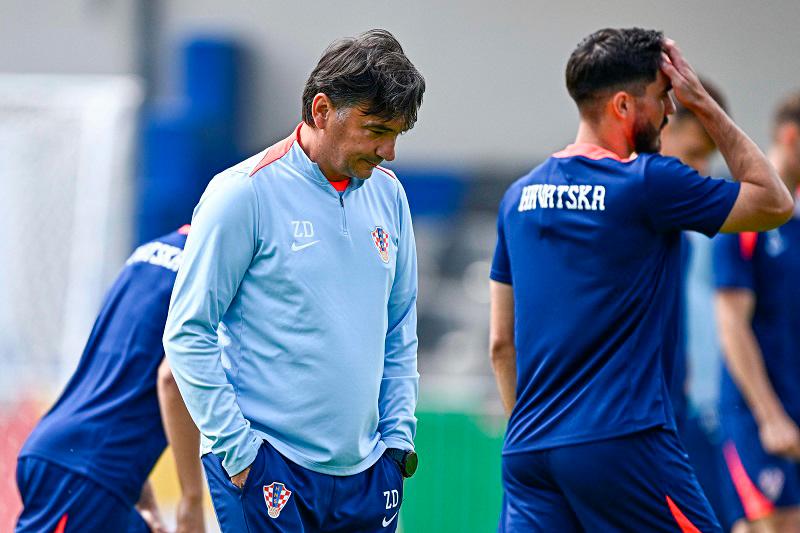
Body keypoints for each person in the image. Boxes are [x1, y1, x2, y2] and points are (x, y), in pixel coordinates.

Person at [489, 27, 793, 532]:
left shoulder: (516, 197)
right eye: (663, 98)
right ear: (625, 106)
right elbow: (774, 202)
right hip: (622, 442)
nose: (671, 111)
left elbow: (501, 344)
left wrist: (534, 433)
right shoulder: (648, 182)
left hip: (528, 453)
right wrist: (706, 104)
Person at [163, 29, 424, 533]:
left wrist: (397, 445)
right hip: (267, 468)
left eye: (397, 133)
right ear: (322, 110)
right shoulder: (243, 194)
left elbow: (399, 326)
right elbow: (187, 332)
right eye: (376, 129)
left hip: (368, 475)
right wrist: (239, 453)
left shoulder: (390, 197)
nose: (389, 150)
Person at [15, 226, 206, 533]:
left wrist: (144, 502)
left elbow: (117, 383)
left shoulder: (147, 253)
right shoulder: (210, 269)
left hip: (76, 459)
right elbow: (171, 378)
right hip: (84, 472)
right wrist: (191, 502)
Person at [714, 91, 800, 533]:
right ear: (791, 137)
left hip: (795, 405)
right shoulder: (745, 215)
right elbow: (731, 323)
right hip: (758, 416)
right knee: (775, 525)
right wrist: (771, 417)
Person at [661, 78, 732, 529]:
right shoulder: (623, 226)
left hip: (700, 420)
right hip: (647, 429)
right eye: (693, 154)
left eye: (709, 158)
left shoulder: (706, 228)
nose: (702, 170)